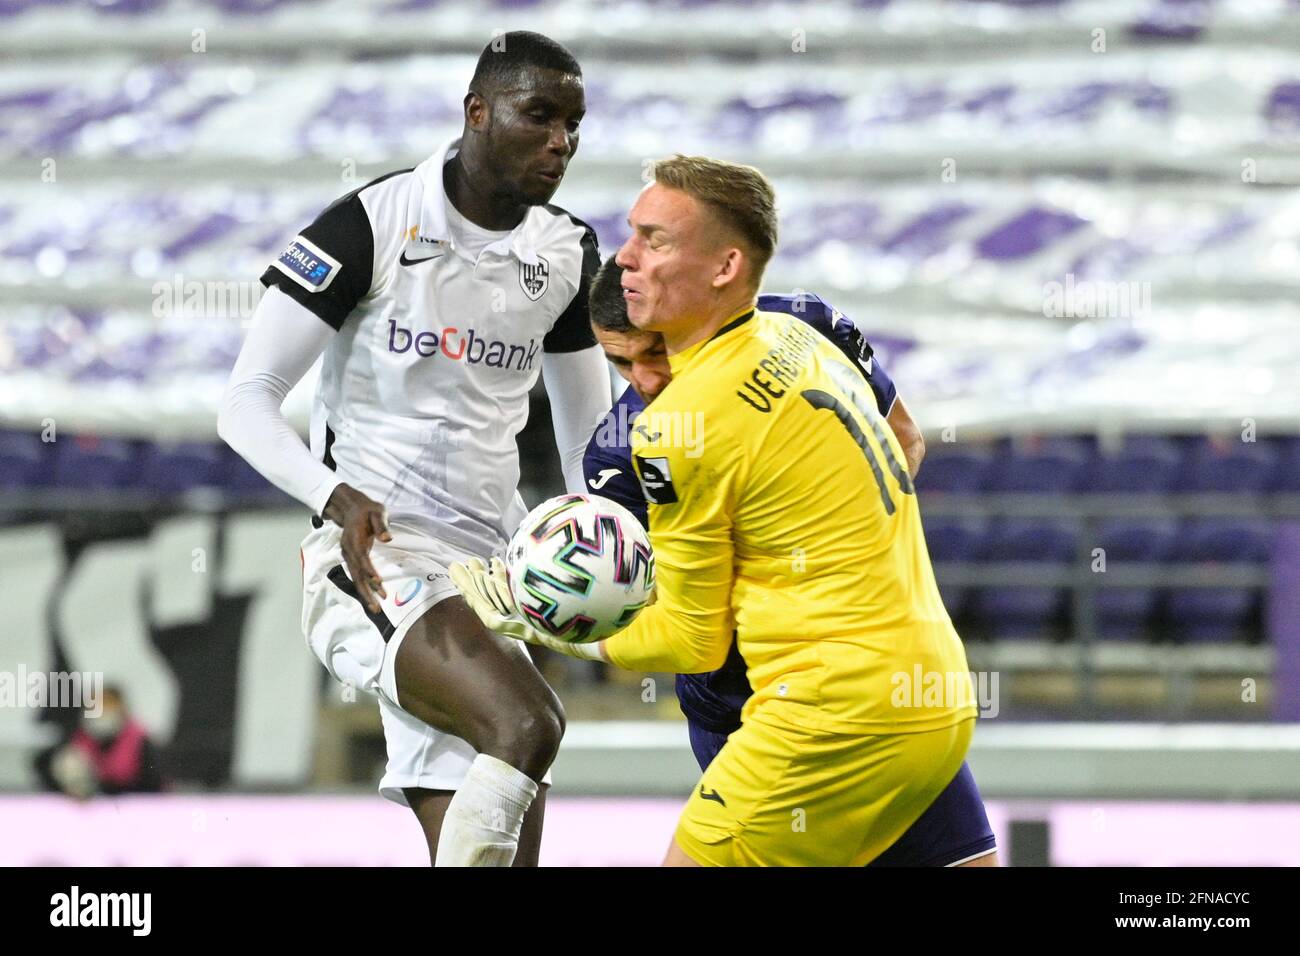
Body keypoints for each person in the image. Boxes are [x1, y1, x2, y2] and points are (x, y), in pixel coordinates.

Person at [453, 155, 978, 866]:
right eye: (623, 366)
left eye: (654, 240)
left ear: (725, 267)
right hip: (929, 688)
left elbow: (688, 636)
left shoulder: (673, 433)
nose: (645, 380)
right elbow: (898, 442)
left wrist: (549, 625)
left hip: (820, 711)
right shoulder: (802, 330)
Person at [218, 31, 611, 867]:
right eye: (539, 116)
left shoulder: (567, 250)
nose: (561, 143)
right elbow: (244, 404)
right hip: (371, 557)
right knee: (529, 722)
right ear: (477, 111)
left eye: (574, 124)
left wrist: (599, 538)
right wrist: (333, 495)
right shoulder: (368, 224)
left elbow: (586, 434)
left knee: (500, 857)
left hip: (496, 576)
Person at [580, 255, 997, 867]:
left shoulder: (803, 324)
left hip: (871, 682)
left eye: (657, 353)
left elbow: (904, 437)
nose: (644, 380)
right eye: (621, 363)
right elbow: (685, 618)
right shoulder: (620, 462)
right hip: (751, 708)